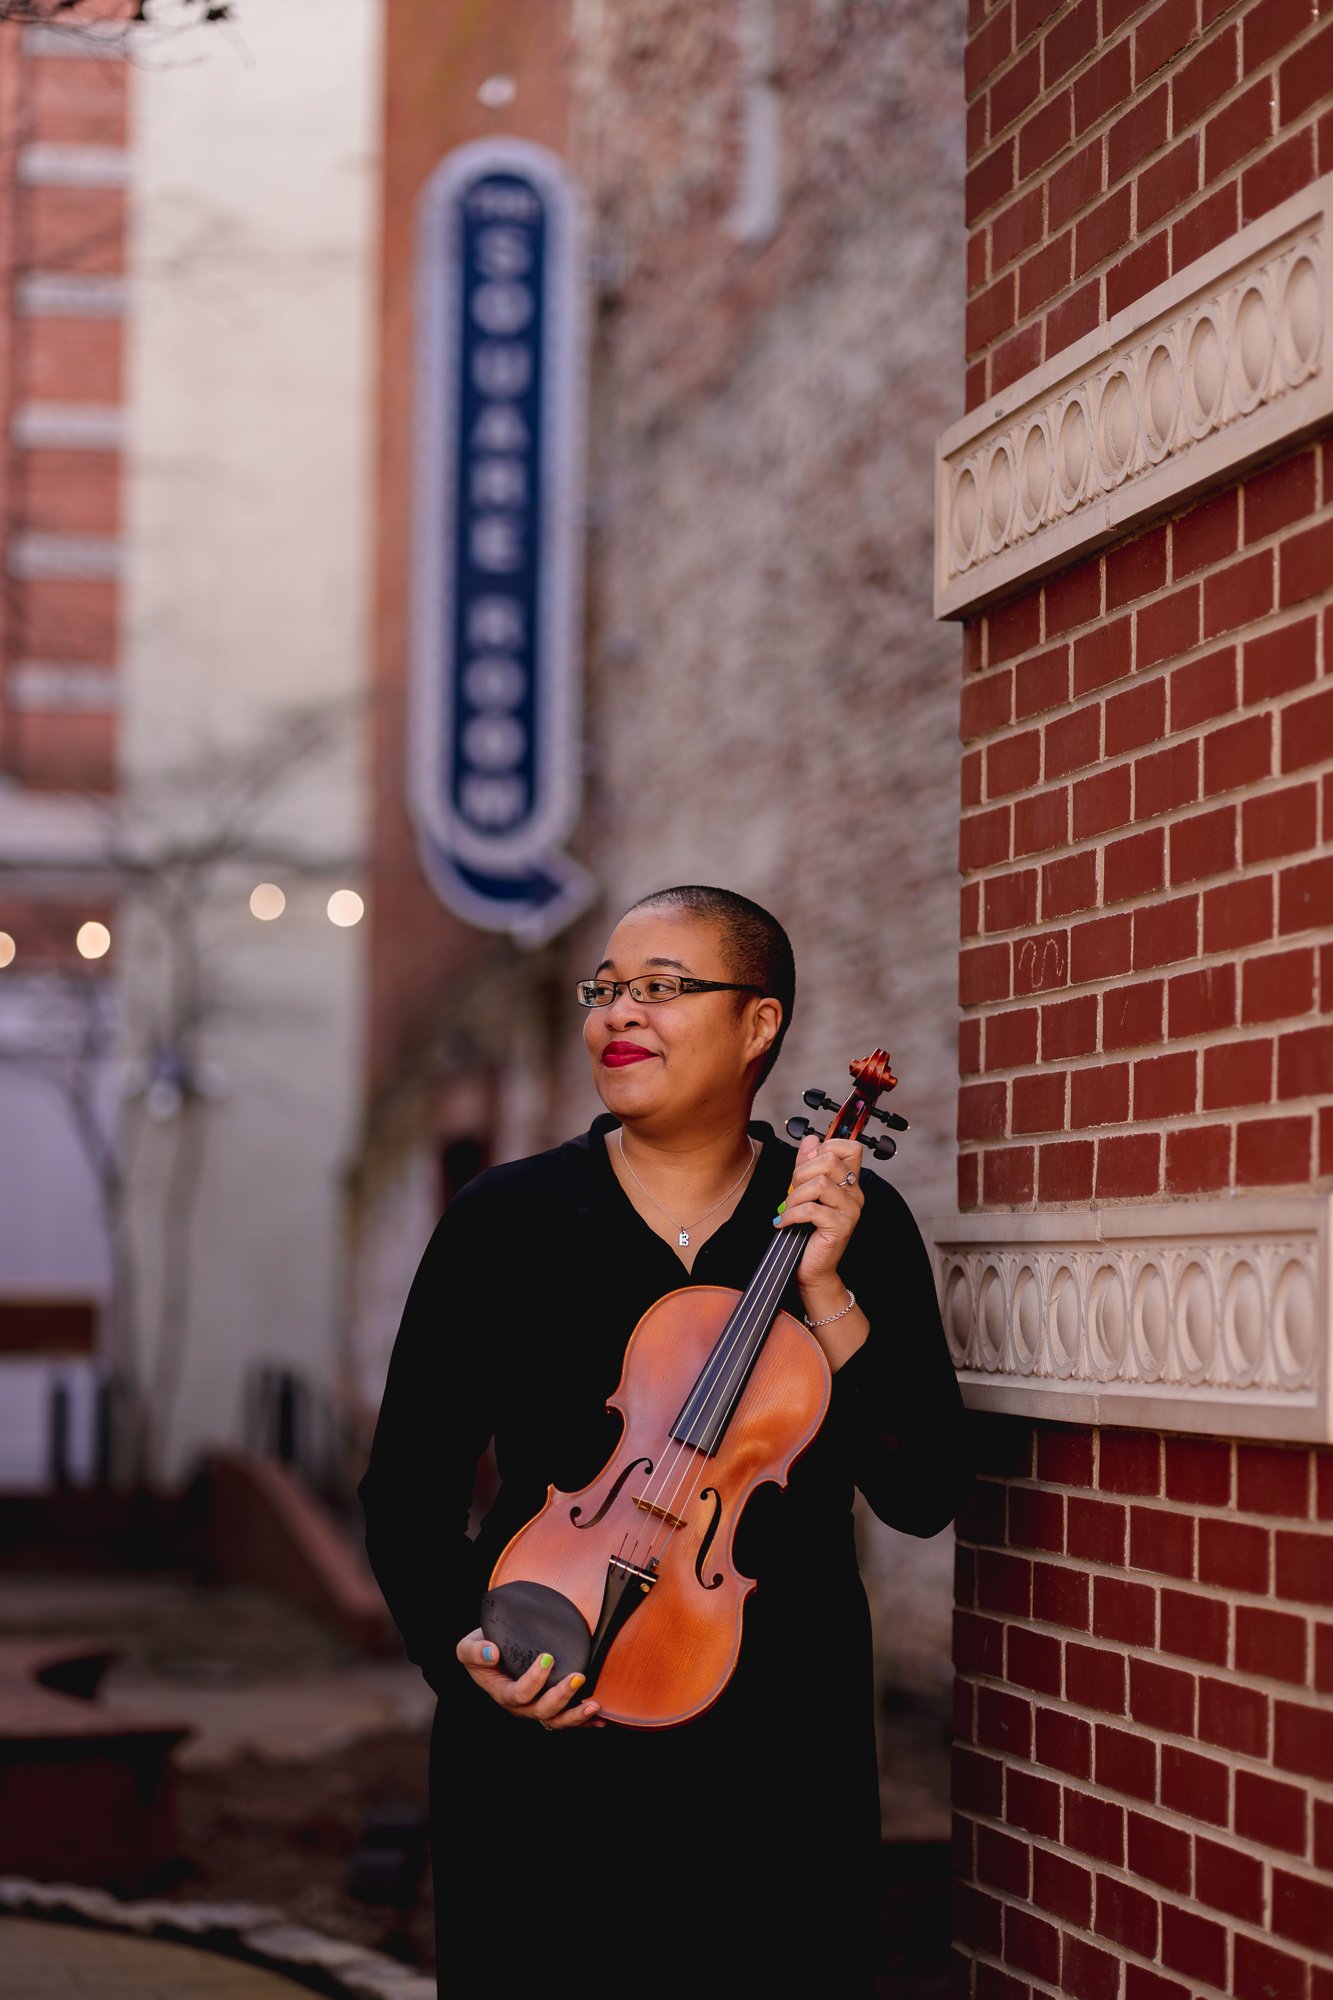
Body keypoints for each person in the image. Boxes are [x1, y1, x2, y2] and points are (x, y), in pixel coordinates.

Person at [357, 885, 973, 1996]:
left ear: (759, 1023)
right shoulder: (506, 1219)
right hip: (546, 1710)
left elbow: (924, 1485)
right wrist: (466, 1656)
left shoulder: (850, 1220)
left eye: (661, 987)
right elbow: (405, 1489)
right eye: (605, 988)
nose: (615, 1013)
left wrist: (826, 1290)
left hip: (778, 1746)